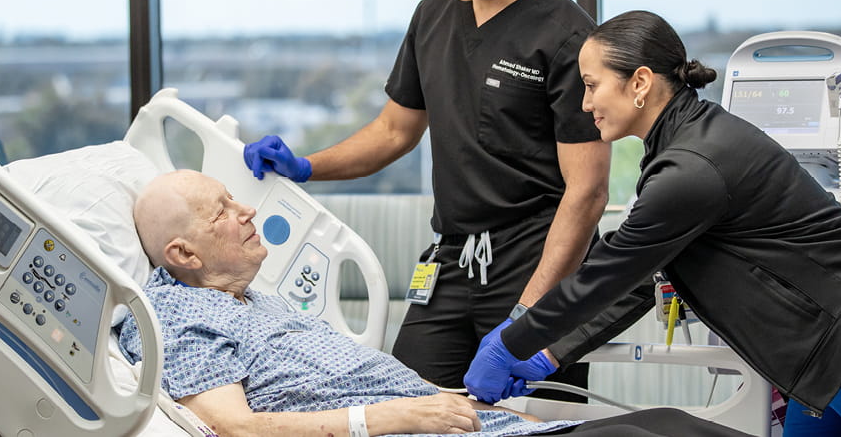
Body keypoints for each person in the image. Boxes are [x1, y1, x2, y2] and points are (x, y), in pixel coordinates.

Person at [463, 11, 841, 437]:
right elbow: (645, 278)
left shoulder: (693, 167)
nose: (585, 102)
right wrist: (550, 354)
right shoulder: (678, 151)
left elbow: (607, 276)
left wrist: (513, 344)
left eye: (593, 85)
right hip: (822, 351)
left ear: (640, 82)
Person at [241, 0, 642, 398]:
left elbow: (588, 192)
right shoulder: (432, 15)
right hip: (452, 260)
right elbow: (392, 130)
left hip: (534, 257)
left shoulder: (566, 35)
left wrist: (528, 313)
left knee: (525, 426)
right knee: (403, 407)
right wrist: (308, 166)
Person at [116, 169, 752, 437]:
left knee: (671, 424)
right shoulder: (181, 316)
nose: (247, 210)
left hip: (484, 429)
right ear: (185, 255)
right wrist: (391, 418)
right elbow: (238, 428)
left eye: (235, 197)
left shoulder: (253, 297)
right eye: (222, 212)